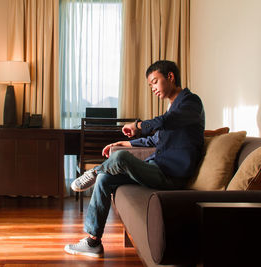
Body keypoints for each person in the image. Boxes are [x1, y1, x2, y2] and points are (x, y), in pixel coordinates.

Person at [64, 60, 205, 258]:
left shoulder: (191, 103)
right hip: (156, 168)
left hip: (171, 176)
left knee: (120, 160)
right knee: (106, 179)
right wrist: (124, 143)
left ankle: (94, 172)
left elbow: (165, 122)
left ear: (170, 77)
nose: (153, 88)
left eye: (155, 82)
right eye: (150, 85)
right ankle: (93, 242)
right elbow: (155, 139)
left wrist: (138, 125)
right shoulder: (173, 108)